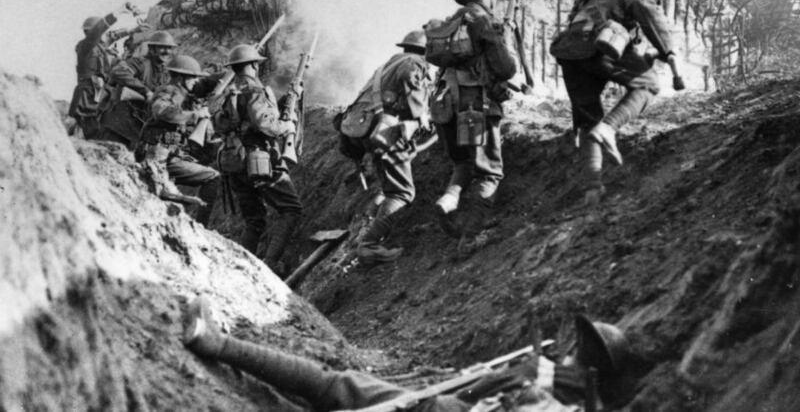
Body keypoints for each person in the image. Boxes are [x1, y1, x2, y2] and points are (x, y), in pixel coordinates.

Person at [182, 296, 640, 411]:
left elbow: (480, 388)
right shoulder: (578, 403)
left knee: (333, 383)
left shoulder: (542, 373)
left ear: (581, 354)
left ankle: (216, 343)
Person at [550, 0, 676, 205]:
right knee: (648, 85)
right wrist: (668, 49)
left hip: (569, 50)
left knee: (589, 120)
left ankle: (593, 189)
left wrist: (647, 55)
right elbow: (646, 10)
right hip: (599, 42)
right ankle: (609, 128)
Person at [429, 0, 517, 242]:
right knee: (488, 173)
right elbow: (506, 68)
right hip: (472, 104)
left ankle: (447, 200)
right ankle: (470, 237)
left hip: (444, 106)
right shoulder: (481, 20)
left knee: (463, 164)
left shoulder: (449, 23)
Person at [337, 30, 433, 264]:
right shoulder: (414, 64)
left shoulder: (387, 65)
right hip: (382, 131)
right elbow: (415, 105)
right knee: (402, 192)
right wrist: (423, 117)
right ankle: (369, 245)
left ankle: (374, 213)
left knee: (391, 182)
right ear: (425, 51)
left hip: (362, 129)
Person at [212, 44, 302, 277]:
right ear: (254, 65)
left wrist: (287, 101)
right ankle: (270, 263)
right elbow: (266, 125)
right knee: (291, 209)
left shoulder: (231, 91)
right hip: (258, 160)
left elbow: (230, 123)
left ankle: (240, 269)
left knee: (254, 220)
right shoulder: (254, 90)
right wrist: (287, 126)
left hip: (234, 160)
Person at [137, 55, 220, 226]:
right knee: (212, 177)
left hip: (169, 155)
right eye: (192, 77)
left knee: (211, 176)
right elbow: (160, 111)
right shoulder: (168, 91)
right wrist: (195, 115)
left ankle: (199, 225)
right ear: (181, 77)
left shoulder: (184, 95)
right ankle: (200, 226)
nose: (195, 81)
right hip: (155, 156)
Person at [67, 3, 146, 139]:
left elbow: (112, 36)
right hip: (87, 92)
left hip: (99, 91)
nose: (105, 35)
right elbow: (100, 32)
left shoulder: (99, 46)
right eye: (101, 32)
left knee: (97, 123)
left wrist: (133, 30)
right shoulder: (86, 46)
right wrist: (118, 12)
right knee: (83, 124)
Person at [98, 30, 176, 149]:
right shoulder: (140, 63)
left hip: (138, 130)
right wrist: (145, 91)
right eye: (162, 48)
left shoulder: (165, 73)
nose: (167, 52)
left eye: (169, 48)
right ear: (152, 49)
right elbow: (118, 71)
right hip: (117, 126)